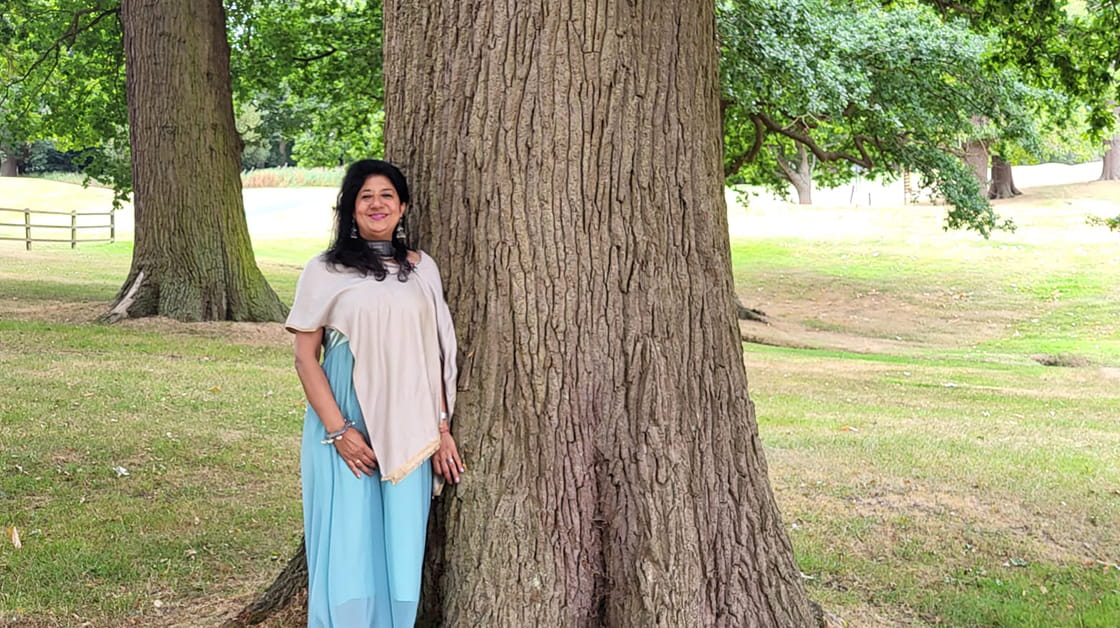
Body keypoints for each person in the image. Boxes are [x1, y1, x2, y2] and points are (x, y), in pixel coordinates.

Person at [284, 159, 463, 627]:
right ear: (350, 208)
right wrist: (340, 431)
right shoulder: (325, 269)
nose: (377, 204)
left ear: (402, 207)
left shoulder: (422, 269)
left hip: (412, 423)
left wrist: (441, 429)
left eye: (387, 195)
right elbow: (305, 358)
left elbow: (435, 352)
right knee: (350, 542)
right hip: (346, 421)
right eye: (365, 196)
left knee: (402, 544)